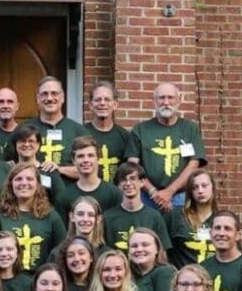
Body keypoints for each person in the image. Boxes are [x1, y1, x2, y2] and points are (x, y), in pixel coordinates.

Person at [0, 162, 66, 274]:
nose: (24, 183)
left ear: (38, 185)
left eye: (29, 179)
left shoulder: (51, 216)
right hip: (6, 280)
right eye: (18, 179)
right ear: (10, 184)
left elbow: (62, 251)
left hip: (41, 283)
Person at [132, 82, 206, 211]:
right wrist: (153, 192)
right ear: (154, 101)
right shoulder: (140, 130)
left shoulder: (190, 129)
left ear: (179, 100)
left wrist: (170, 191)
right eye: (161, 98)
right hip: (146, 198)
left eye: (170, 97)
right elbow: (133, 166)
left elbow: (193, 164)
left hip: (181, 198)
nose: (166, 102)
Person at [28, 74, 91, 175]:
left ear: (62, 98)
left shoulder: (78, 131)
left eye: (54, 93)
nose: (49, 98)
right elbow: (11, 165)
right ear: (38, 99)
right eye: (44, 94)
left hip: (69, 189)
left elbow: (90, 169)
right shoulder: (25, 129)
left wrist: (60, 169)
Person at [103, 162, 172, 253]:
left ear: (142, 182)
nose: (128, 183)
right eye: (123, 180)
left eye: (133, 178)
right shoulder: (108, 217)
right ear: (118, 185)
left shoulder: (154, 217)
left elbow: (162, 252)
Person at [85, 80, 139, 184]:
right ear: (91, 105)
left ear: (115, 105)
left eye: (107, 99)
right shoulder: (81, 133)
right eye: (98, 100)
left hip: (117, 195)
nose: (102, 103)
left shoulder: (125, 136)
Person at [52, 136, 119, 219]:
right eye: (81, 156)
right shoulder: (64, 198)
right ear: (73, 160)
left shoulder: (114, 194)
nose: (86, 160)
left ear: (98, 158)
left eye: (90, 155)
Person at [127, 226, 177, 291]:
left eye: (145, 245)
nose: (139, 249)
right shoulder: (129, 277)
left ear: (157, 249)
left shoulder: (164, 273)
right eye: (134, 246)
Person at [175, 170, 220, 265]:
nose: (200, 191)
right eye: (195, 187)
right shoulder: (177, 217)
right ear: (190, 192)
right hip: (186, 276)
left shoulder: (221, 219)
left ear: (213, 188)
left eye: (204, 186)